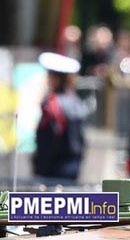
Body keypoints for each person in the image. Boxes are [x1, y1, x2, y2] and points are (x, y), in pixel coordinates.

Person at [33, 52, 96, 181]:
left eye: (50, 75)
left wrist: (40, 166)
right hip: (73, 166)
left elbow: (49, 140)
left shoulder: (52, 104)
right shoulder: (76, 102)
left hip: (52, 169)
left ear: (56, 78)